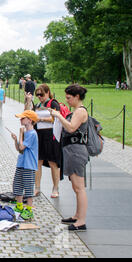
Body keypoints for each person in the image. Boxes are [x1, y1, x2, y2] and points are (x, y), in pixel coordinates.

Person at [49, 84, 89, 232]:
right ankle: (77, 215)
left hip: (76, 151)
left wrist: (59, 116)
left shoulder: (80, 111)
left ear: (77, 97)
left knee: (79, 187)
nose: (67, 100)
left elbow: (71, 128)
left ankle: (81, 220)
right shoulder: (76, 111)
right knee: (75, 186)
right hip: (71, 150)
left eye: (69, 98)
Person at [28, 84, 62, 198]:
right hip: (39, 135)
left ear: (47, 92)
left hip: (51, 136)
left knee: (53, 162)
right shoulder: (37, 105)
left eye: (41, 94)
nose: (39, 97)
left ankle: (55, 188)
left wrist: (41, 119)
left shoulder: (52, 103)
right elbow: (30, 115)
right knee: (38, 162)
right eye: (37, 94)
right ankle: (37, 187)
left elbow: (56, 118)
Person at [9, 110, 39, 220]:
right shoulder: (26, 133)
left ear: (30, 120)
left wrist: (20, 134)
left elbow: (22, 147)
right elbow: (19, 150)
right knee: (17, 185)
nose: (20, 120)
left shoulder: (32, 134)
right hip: (21, 163)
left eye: (23, 118)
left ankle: (29, 210)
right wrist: (16, 139)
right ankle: (19, 206)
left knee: (28, 188)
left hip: (29, 165)